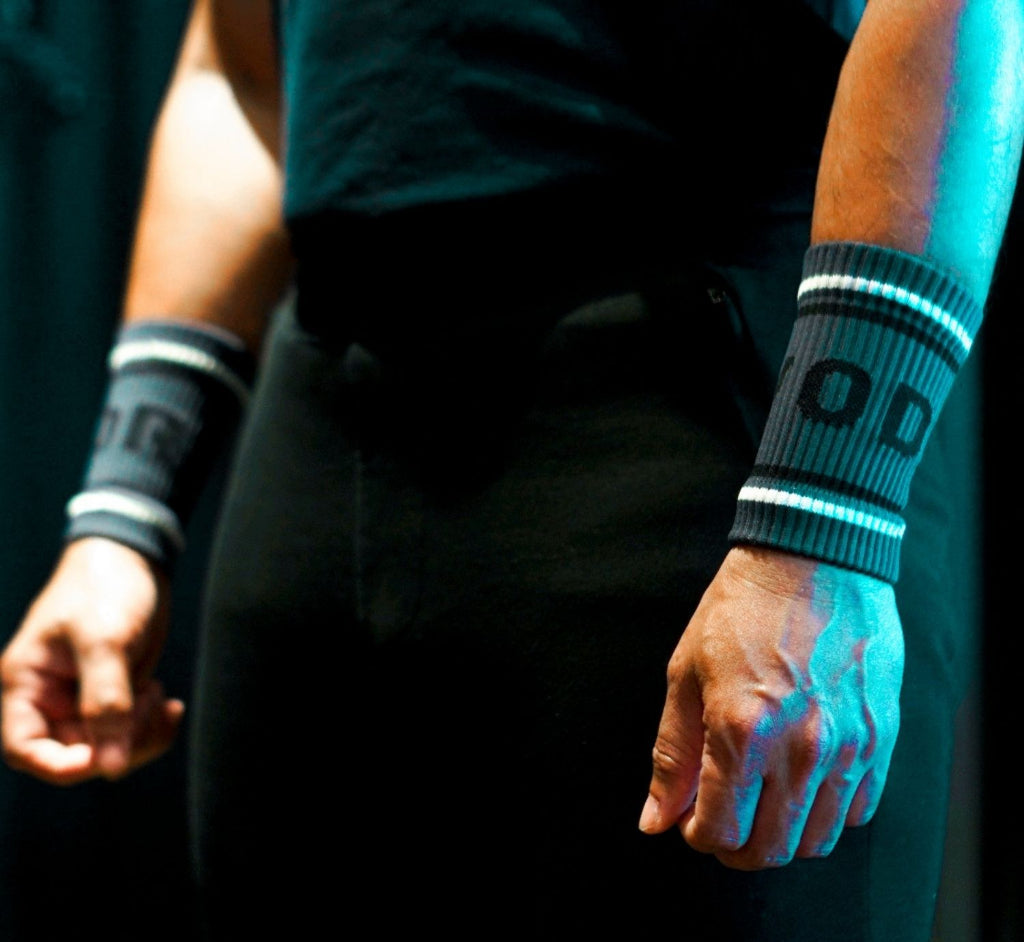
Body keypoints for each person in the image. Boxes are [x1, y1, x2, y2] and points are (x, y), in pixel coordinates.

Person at [1, 0, 1021, 938]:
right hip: (325, 441)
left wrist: (823, 522)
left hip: (711, 442)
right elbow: (240, 76)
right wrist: (124, 513)